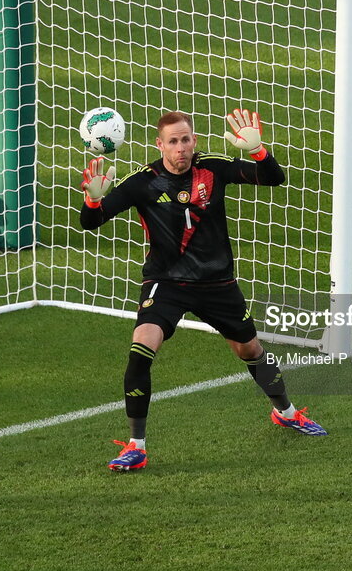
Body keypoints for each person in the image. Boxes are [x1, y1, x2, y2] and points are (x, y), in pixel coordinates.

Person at [80, 108, 327, 472]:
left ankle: (286, 412)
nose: (181, 148)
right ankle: (136, 445)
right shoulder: (142, 182)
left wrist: (259, 152)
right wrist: (93, 200)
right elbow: (91, 223)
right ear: (159, 145)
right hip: (167, 283)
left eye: (186, 139)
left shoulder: (213, 167)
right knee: (140, 350)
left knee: (250, 349)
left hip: (217, 284)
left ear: (194, 141)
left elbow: (274, 178)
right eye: (173, 142)